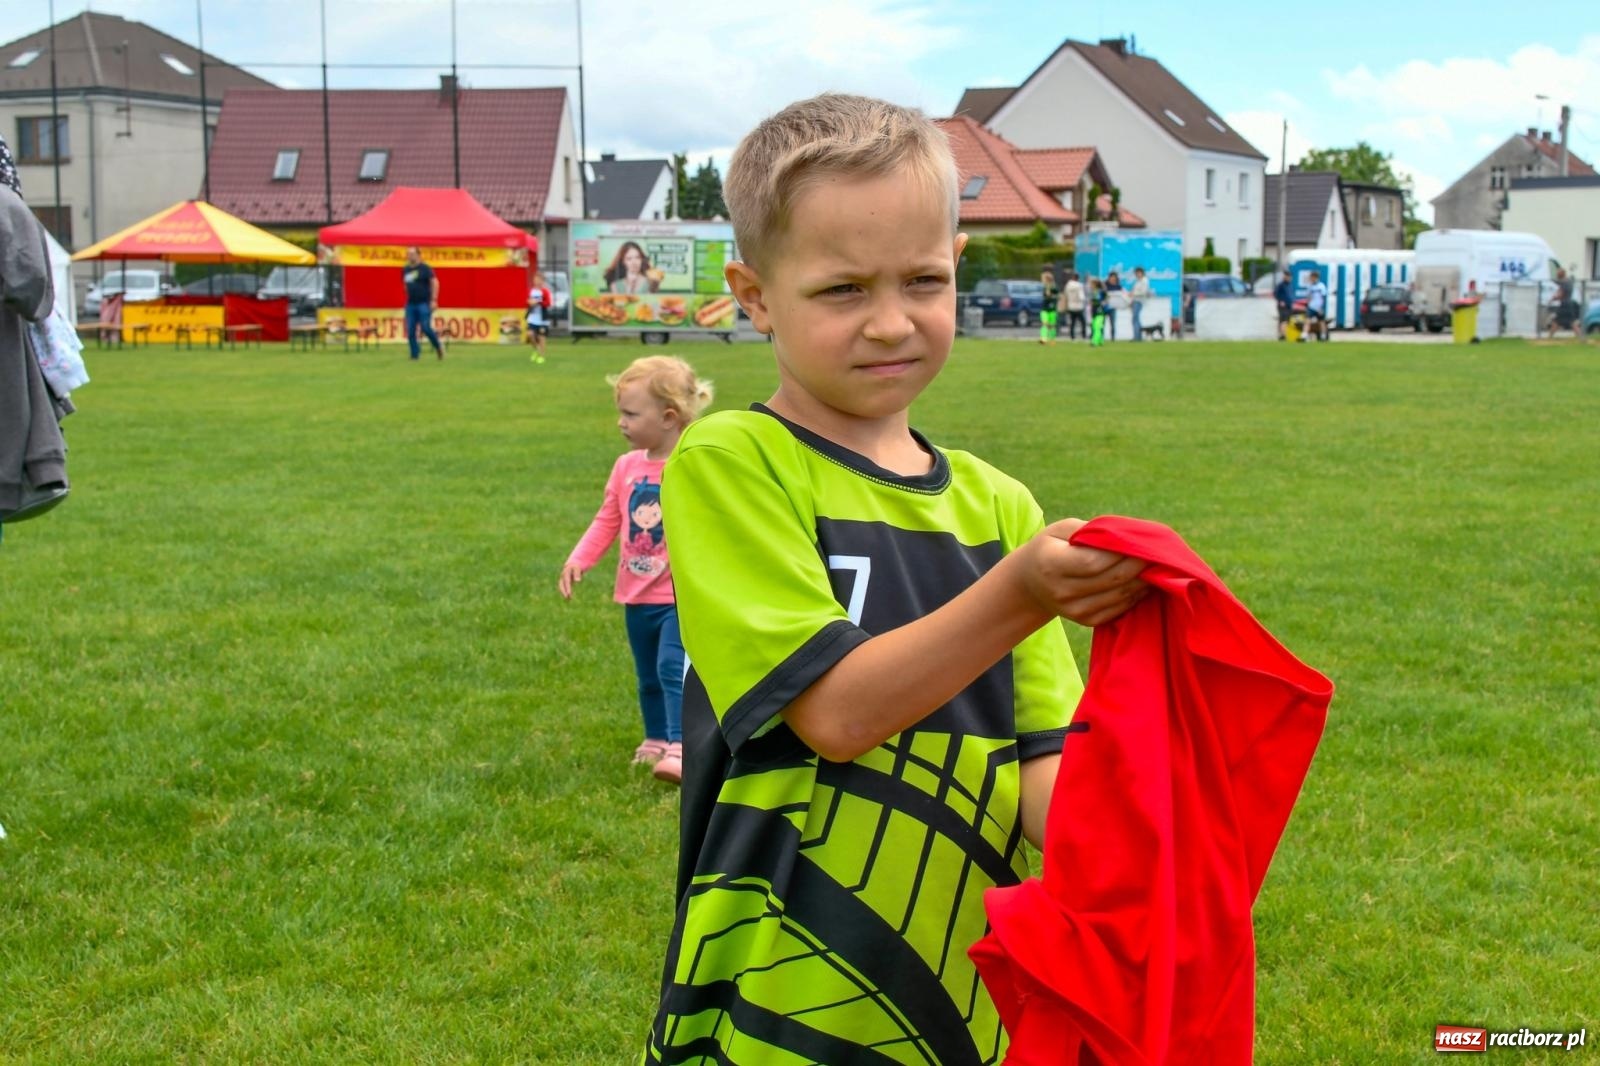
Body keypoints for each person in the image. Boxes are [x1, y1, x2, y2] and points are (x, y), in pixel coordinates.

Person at [644, 92, 1148, 1064]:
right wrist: (1023, 590)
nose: (889, 323)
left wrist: (1144, 847)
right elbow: (833, 713)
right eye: (842, 290)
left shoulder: (1000, 506)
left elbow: (1042, 756)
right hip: (776, 992)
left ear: (956, 269)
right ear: (753, 296)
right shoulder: (732, 463)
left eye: (921, 280)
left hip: (963, 998)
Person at [559, 355, 714, 786]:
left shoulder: (693, 463)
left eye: (630, 414)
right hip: (635, 593)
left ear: (668, 417)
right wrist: (579, 559)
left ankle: (682, 747)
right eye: (620, 413)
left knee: (671, 666)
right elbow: (608, 518)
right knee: (647, 674)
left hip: (677, 596)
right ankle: (655, 738)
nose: (620, 423)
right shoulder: (626, 467)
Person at [401, 247, 444, 360]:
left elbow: (434, 282)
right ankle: (414, 354)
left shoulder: (425, 268)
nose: (410, 256)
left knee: (425, 327)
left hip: (424, 303)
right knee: (410, 330)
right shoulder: (406, 269)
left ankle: (438, 346)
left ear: (419, 255)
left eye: (412, 254)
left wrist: (434, 300)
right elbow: (405, 284)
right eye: (408, 254)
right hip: (411, 303)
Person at [526, 271, 552, 364]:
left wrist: (538, 302)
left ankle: (542, 356)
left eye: (539, 279)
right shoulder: (531, 291)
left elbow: (548, 303)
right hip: (532, 318)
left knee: (542, 337)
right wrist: (529, 303)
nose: (537, 281)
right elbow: (527, 301)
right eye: (536, 279)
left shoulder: (545, 291)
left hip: (542, 319)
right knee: (530, 334)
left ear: (542, 281)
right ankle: (536, 349)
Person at [1547, 268, 1579, 339]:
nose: (1556, 275)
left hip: (1565, 304)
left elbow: (1561, 294)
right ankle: (1580, 337)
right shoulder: (1568, 281)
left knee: (1556, 321)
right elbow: (1559, 286)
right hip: (1569, 304)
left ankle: (1549, 337)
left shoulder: (1565, 283)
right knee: (1571, 321)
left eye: (1557, 274)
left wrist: (1553, 299)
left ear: (1561, 274)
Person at [1302, 269, 1329, 342]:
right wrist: (1308, 304)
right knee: (1307, 321)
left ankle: (1323, 336)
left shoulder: (1321, 286)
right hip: (1311, 307)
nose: (1311, 279)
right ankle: (1304, 336)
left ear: (1316, 277)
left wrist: (1321, 307)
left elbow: (1323, 297)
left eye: (1312, 277)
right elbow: (1308, 296)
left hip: (1319, 307)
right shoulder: (1310, 286)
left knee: (1321, 322)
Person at [1061, 270, 1087, 340]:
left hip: (1070, 306)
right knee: (1083, 322)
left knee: (1073, 322)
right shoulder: (1079, 286)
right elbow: (1081, 297)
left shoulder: (1068, 285)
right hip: (1078, 306)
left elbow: (1065, 295)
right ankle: (1083, 335)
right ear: (1077, 278)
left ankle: (1072, 336)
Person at [1129, 266, 1153, 342]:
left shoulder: (1144, 281)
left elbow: (1143, 292)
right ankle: (1137, 336)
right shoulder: (1138, 281)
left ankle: (1137, 336)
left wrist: (1134, 294)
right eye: (1137, 273)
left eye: (1139, 273)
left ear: (1142, 273)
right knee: (1136, 319)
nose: (1138, 274)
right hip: (1135, 300)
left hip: (1139, 301)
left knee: (1135, 318)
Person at [1038, 267, 1059, 344]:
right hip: (1044, 308)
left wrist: (1051, 294)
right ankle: (1043, 339)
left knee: (1051, 325)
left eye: (1043, 279)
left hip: (1052, 309)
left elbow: (1056, 295)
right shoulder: (1044, 287)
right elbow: (1045, 295)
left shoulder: (1054, 287)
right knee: (1044, 324)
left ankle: (1052, 339)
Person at [1273, 270, 1294, 341]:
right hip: (1282, 306)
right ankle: (1283, 335)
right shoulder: (1281, 285)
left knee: (1286, 320)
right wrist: (1281, 300)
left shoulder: (1290, 285)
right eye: (1287, 276)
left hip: (1289, 305)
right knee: (1283, 320)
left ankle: (1282, 334)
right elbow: (1276, 294)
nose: (1288, 278)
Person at [1103, 270, 1123, 341]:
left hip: (1113, 307)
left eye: (1114, 277)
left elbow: (1122, 295)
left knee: (1113, 323)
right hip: (1105, 306)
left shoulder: (1118, 286)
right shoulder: (1105, 285)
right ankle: (1101, 337)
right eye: (1111, 277)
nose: (1113, 279)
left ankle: (1113, 338)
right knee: (1102, 323)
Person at [1088, 276, 1107, 346]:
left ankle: (1094, 341)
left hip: (1100, 312)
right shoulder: (1093, 292)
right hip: (1094, 312)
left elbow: (1105, 299)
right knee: (1095, 326)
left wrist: (1102, 303)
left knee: (1097, 327)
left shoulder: (1100, 292)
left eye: (1091, 284)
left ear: (1095, 284)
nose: (1090, 285)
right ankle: (1100, 340)